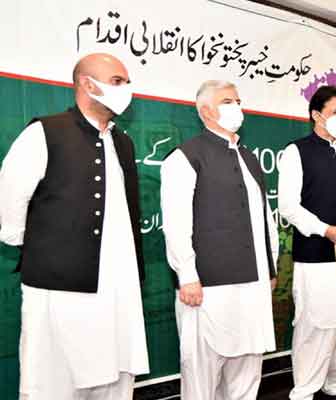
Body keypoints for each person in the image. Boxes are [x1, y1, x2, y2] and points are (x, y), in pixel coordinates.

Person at [0, 53, 149, 399]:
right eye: (117, 81)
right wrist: (47, 250)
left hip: (119, 286)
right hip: (58, 287)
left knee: (115, 379)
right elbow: (9, 198)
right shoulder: (45, 132)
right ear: (87, 84)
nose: (126, 89)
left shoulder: (123, 142)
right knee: (54, 381)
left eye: (127, 82)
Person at [161, 80, 279, 400]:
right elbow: (176, 222)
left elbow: (265, 218)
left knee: (247, 369)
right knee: (202, 373)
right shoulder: (185, 157)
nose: (237, 107)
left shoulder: (250, 158)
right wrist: (187, 275)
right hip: (205, 288)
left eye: (238, 101)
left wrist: (270, 267)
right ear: (206, 111)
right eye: (228, 101)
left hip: (253, 285)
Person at [278, 85, 336, 400]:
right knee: (315, 329)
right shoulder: (297, 151)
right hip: (316, 257)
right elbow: (288, 206)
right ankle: (304, 392)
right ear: (316, 115)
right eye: (334, 112)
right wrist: (326, 230)